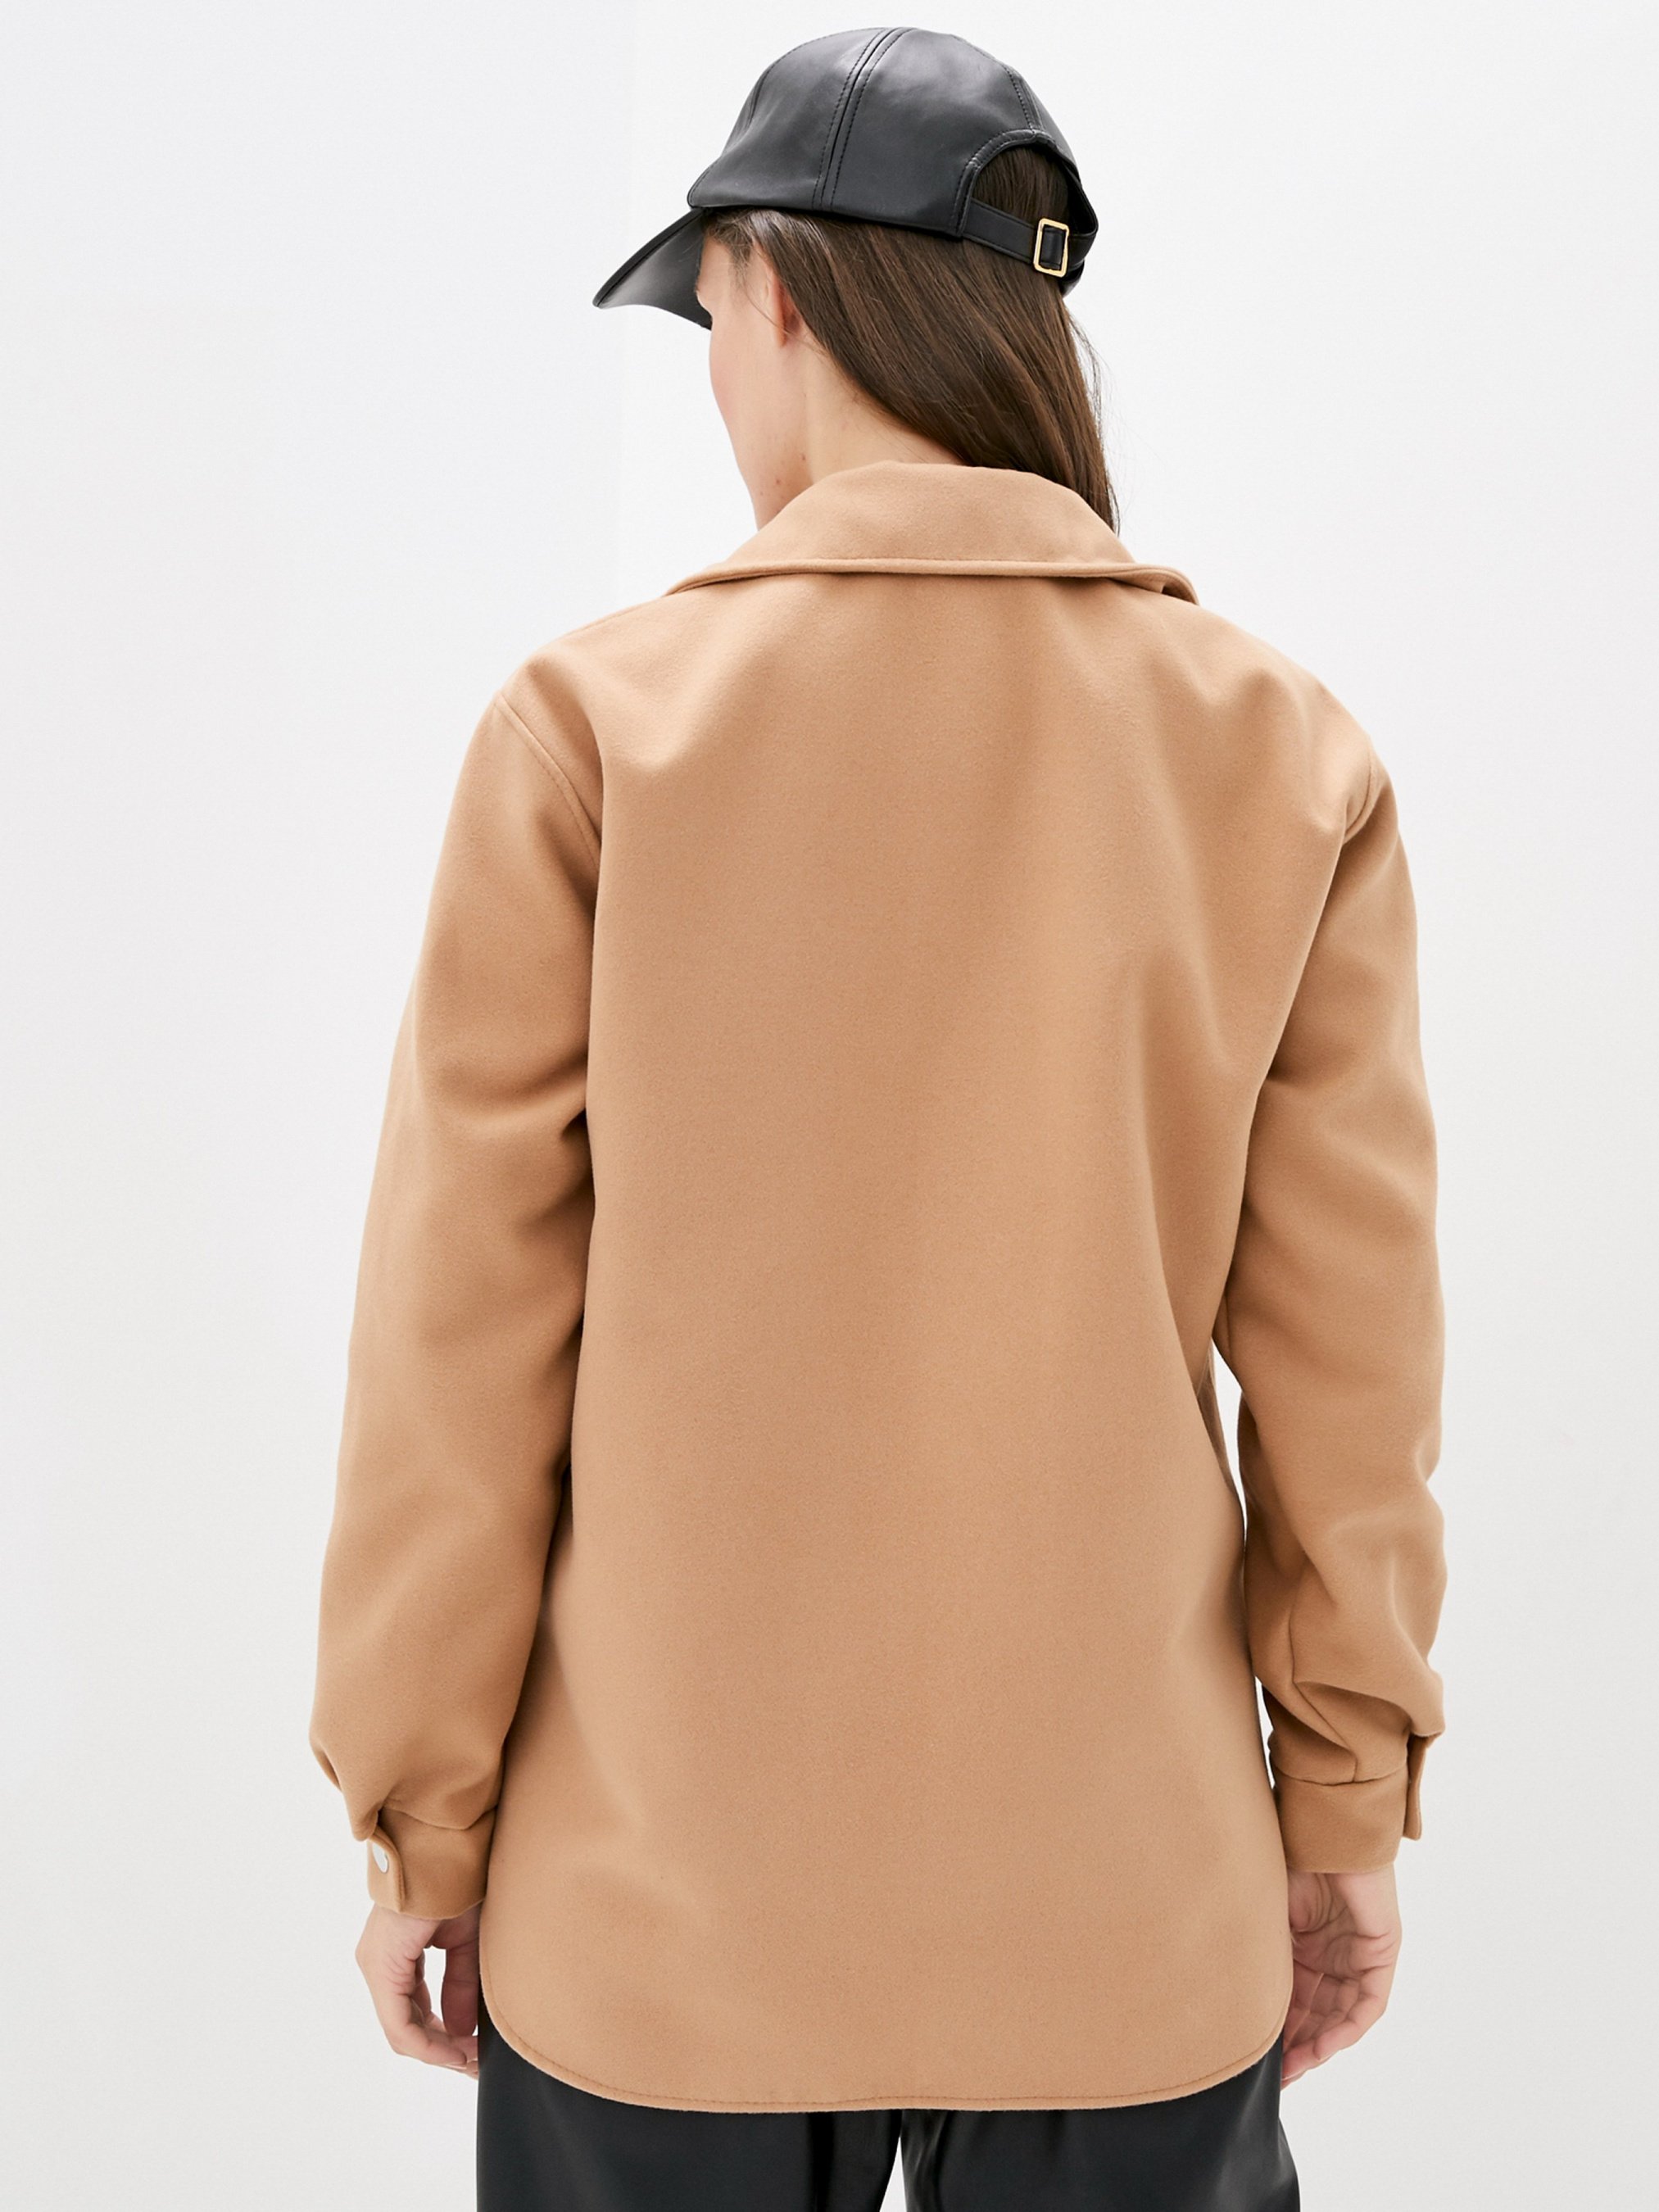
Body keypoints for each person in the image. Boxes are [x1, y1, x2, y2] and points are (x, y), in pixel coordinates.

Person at [310, 27, 1447, 2211]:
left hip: (659, 1921)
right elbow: (1348, 1368)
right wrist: (1341, 1803)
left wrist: (421, 1825)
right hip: (1124, 1909)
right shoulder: (1282, 755)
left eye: (708, 318)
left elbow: (459, 1352)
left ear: (776, 294)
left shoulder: (592, 735)